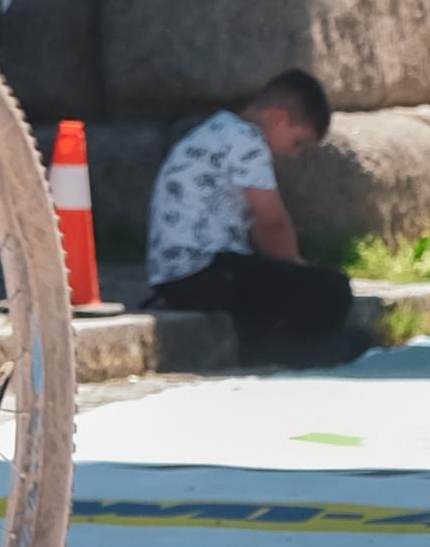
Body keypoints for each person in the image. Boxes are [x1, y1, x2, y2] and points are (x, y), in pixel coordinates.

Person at [143, 70, 363, 366]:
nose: (294, 155)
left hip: (177, 276)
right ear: (278, 118)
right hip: (204, 272)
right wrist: (297, 268)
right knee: (332, 290)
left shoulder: (219, 130)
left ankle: (270, 343)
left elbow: (257, 230)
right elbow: (272, 223)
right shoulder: (247, 141)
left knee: (271, 280)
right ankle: (294, 351)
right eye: (298, 142)